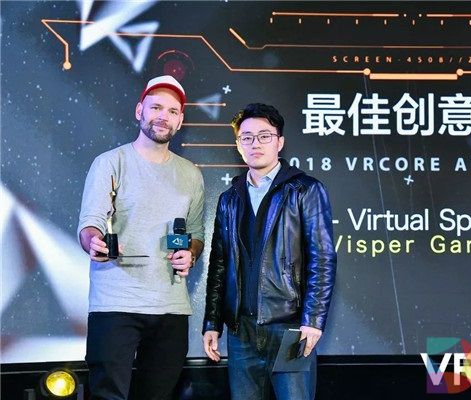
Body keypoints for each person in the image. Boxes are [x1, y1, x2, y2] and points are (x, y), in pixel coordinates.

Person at [77, 75, 204, 400]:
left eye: (172, 111)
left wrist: (190, 252)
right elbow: (90, 224)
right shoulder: (110, 163)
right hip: (116, 303)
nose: (163, 116)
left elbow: (197, 234)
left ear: (180, 120)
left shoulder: (191, 174)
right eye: (156, 107)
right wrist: (94, 242)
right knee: (109, 395)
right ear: (139, 111)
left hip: (171, 307)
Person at [202, 103, 336, 400]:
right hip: (241, 332)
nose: (255, 144)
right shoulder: (229, 199)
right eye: (247, 137)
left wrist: (313, 320)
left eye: (264, 136)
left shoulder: (305, 190)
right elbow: (219, 263)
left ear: (280, 142)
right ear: (239, 146)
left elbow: (323, 259)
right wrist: (212, 322)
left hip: (291, 329)